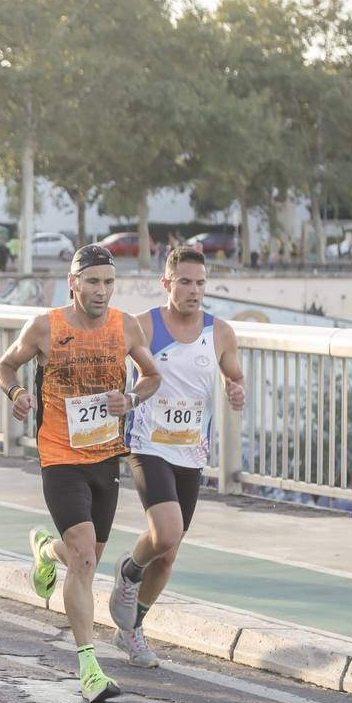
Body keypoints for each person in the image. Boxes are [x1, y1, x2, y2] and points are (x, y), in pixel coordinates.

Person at [0, 243, 161, 703]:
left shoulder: (124, 326)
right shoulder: (46, 326)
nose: (101, 291)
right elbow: (5, 365)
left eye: (108, 282)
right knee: (85, 560)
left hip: (106, 456)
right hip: (60, 455)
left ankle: (47, 551)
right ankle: (89, 667)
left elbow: (151, 375)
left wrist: (133, 400)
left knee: (84, 557)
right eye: (92, 282)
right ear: (73, 283)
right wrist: (17, 393)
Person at [108, 247, 245, 666]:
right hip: (148, 444)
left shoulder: (219, 332)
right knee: (165, 533)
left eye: (200, 283)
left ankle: (132, 630)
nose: (194, 291)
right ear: (166, 284)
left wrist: (236, 389)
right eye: (184, 282)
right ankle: (129, 571)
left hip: (191, 451)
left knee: (168, 555)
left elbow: (234, 374)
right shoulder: (144, 325)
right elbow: (113, 365)